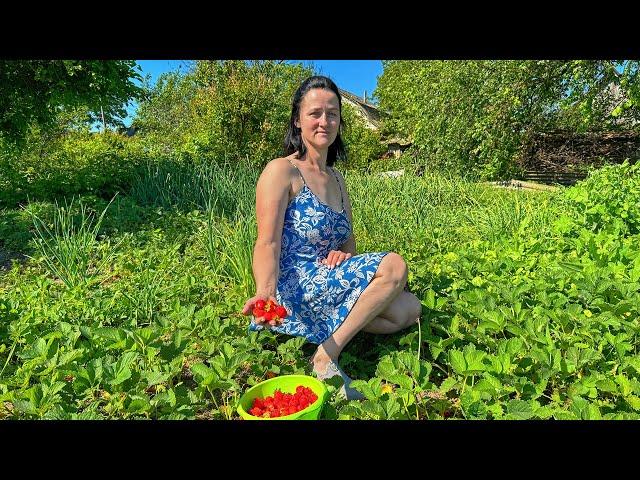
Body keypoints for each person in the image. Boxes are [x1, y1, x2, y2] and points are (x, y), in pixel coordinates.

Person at [241, 75, 422, 400]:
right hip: (296, 286)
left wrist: (344, 255)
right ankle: (325, 357)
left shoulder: (337, 178)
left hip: (328, 278)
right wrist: (264, 293)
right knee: (394, 266)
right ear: (297, 120)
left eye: (333, 113)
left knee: (409, 309)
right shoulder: (282, 171)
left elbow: (347, 238)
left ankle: (319, 329)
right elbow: (266, 241)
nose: (325, 121)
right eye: (315, 113)